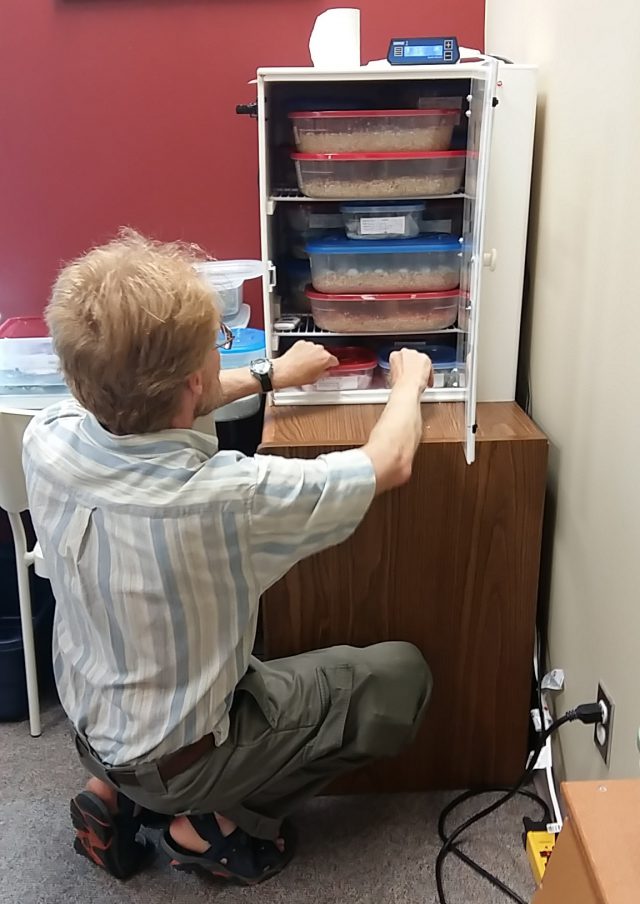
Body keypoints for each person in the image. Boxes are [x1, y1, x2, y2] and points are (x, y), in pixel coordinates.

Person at [23, 231, 434, 886]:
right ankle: (211, 824)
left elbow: (143, 403)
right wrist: (409, 383)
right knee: (397, 680)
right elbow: (390, 462)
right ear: (195, 377)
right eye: (214, 350)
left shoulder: (45, 440)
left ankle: (111, 792)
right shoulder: (225, 500)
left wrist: (274, 374)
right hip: (182, 757)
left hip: (89, 720)